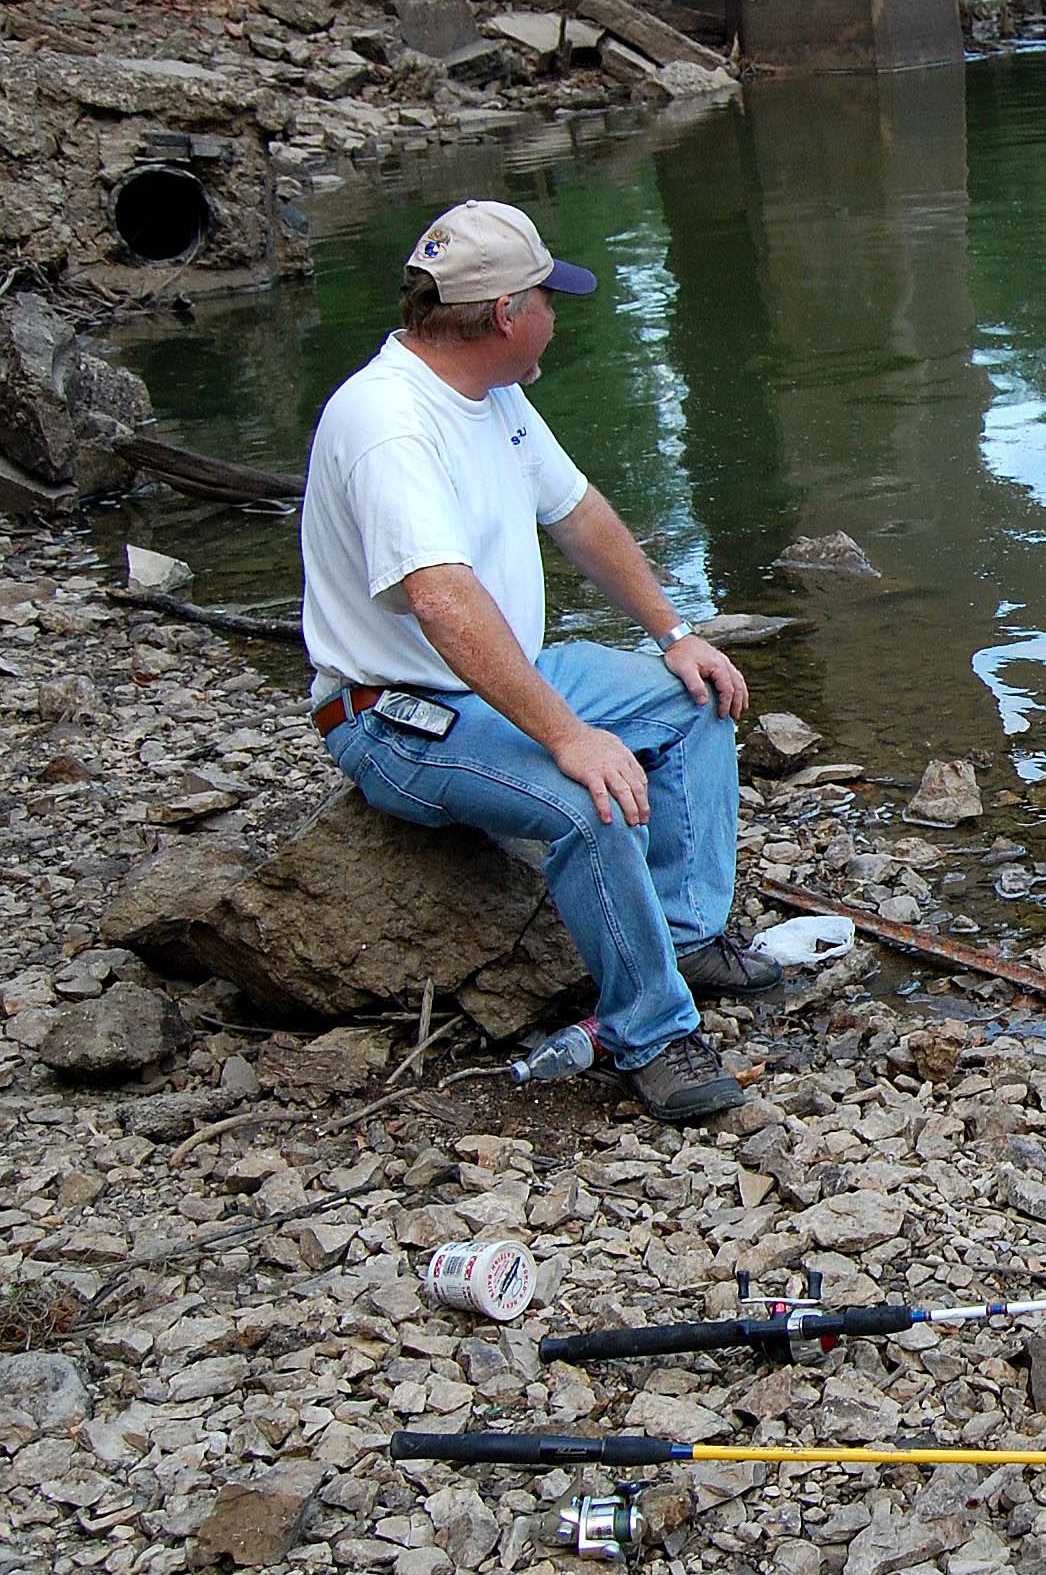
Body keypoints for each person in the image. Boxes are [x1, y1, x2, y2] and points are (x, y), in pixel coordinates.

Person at [297, 199, 775, 1124]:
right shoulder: (389, 422)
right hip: (397, 713)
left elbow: (581, 515)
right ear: (509, 313)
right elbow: (440, 601)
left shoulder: (494, 395)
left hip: (506, 673)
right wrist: (569, 736)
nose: (561, 311)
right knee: (585, 801)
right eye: (550, 296)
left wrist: (675, 635)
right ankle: (652, 1033)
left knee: (697, 701)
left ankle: (682, 936)